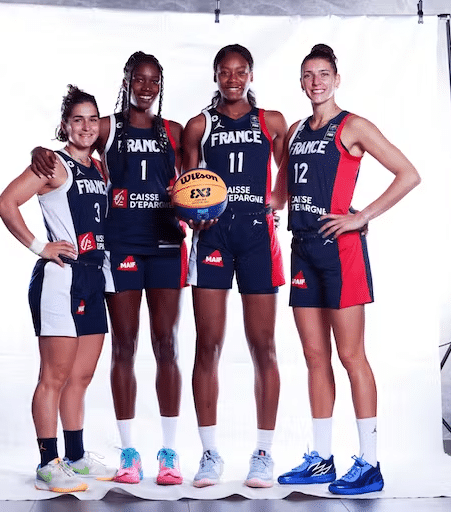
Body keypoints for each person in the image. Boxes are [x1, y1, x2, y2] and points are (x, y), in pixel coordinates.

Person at [31, 52, 186, 486]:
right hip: (119, 250)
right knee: (124, 346)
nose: (146, 86)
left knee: (166, 345)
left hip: (166, 244)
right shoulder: (107, 127)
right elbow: (71, 145)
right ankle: (128, 451)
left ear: (161, 84)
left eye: (153, 80)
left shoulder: (172, 131)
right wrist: (39, 152)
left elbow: (195, 179)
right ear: (126, 81)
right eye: (138, 78)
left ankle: (169, 451)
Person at [272, 44, 420, 495]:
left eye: (323, 74)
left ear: (336, 80)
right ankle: (321, 459)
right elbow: (281, 194)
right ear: (301, 82)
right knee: (314, 357)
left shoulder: (353, 126)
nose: (316, 82)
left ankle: (369, 463)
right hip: (303, 250)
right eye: (308, 75)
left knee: (351, 356)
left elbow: (408, 173)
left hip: (341, 253)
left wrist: (362, 216)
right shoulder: (296, 130)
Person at [0, 85, 113, 493]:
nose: (86, 126)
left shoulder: (99, 168)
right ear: (65, 125)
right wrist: (39, 246)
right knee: (54, 377)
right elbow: (5, 203)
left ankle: (76, 456)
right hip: (61, 279)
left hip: (93, 278)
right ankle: (48, 463)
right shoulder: (53, 164)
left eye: (92, 119)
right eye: (78, 119)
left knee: (81, 376)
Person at [181, 43, 287, 488]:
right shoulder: (200, 125)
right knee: (208, 345)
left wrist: (275, 202)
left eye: (240, 71)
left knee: (264, 347)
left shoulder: (272, 121)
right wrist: (192, 214)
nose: (232, 78)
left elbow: (292, 170)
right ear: (215, 75)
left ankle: (263, 452)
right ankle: (209, 454)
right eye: (225, 71)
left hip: (257, 239)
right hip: (213, 238)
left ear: (251, 75)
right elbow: (184, 187)